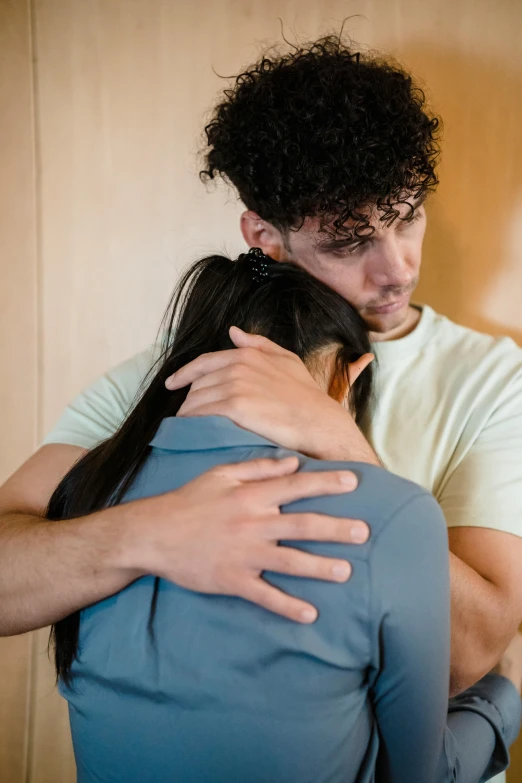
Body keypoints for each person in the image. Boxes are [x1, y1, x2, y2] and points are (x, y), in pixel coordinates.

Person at [0, 31, 521, 756]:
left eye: (408, 216)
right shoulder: (167, 377)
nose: (397, 268)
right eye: (349, 241)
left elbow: (473, 651)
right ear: (264, 236)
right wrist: (149, 533)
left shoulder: (490, 376)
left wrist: (336, 437)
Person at [48, 249, 521, 783]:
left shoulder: (84, 491)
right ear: (349, 378)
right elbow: (422, 773)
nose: (398, 267)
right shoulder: (394, 515)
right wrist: (501, 698)